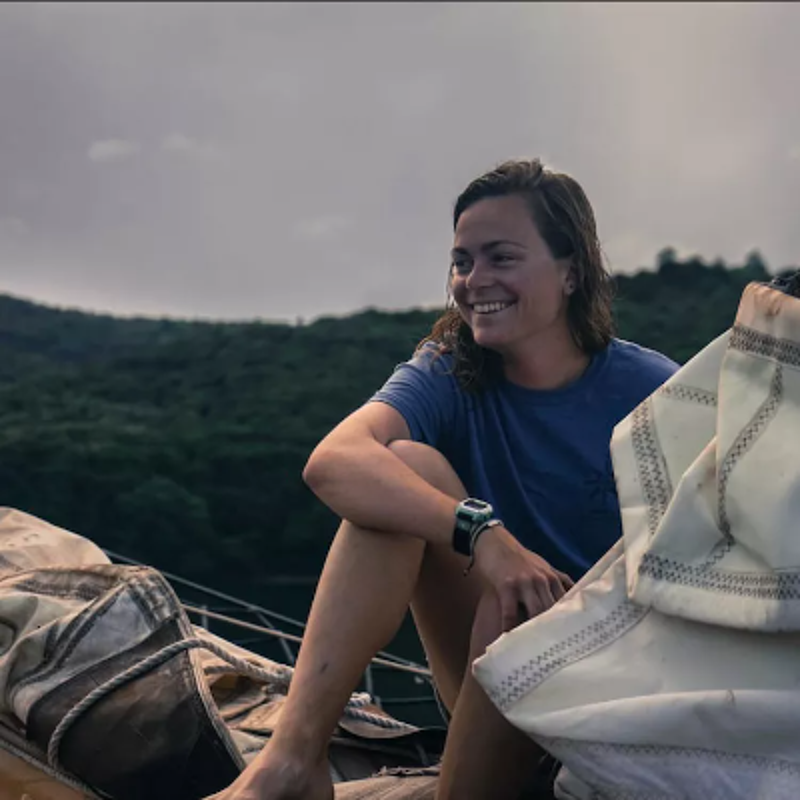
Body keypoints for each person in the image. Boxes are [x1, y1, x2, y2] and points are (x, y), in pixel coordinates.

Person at [207, 159, 679, 800]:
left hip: (612, 695)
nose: (474, 280)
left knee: (525, 613)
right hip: (487, 670)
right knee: (404, 467)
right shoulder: (450, 371)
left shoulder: (654, 394)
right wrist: (485, 536)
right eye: (462, 260)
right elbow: (334, 461)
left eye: (501, 257)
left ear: (571, 271)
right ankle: (293, 764)